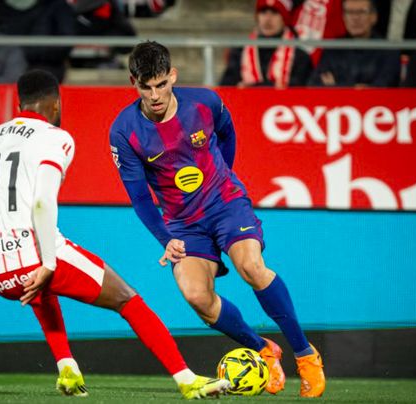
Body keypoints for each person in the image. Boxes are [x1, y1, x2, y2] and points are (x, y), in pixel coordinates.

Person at [0, 69, 230, 400]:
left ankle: (67, 368)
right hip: (33, 256)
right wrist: (48, 262)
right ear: (55, 103)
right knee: (128, 299)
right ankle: (187, 380)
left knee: (44, 291)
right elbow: (42, 202)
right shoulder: (54, 137)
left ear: (20, 104)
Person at [109, 41, 326, 398]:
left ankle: (305, 354)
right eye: (146, 87)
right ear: (134, 82)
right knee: (196, 296)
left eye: (161, 84)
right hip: (182, 224)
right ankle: (262, 348)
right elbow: (140, 198)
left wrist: (221, 179)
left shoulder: (205, 102)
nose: (155, 95)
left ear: (172, 75)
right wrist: (166, 239)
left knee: (252, 267)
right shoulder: (124, 131)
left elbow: (228, 134)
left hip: (225, 204)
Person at [219, 0, 312, 88]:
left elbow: (304, 89)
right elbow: (226, 86)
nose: (268, 19)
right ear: (257, 17)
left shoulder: (300, 56)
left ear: (284, 19)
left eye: (274, 13)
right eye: (263, 12)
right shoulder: (239, 52)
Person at [308, 0, 400, 87]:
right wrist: (357, 89)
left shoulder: (388, 50)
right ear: (344, 17)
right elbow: (315, 84)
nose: (355, 18)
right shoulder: (333, 48)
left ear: (374, 17)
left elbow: (384, 87)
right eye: (350, 12)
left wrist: (336, 86)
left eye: (361, 12)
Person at [0, 0, 76, 83]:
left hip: (44, 65)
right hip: (3, 64)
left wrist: (24, 52)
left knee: (39, 79)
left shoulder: (57, 5)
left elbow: (65, 43)